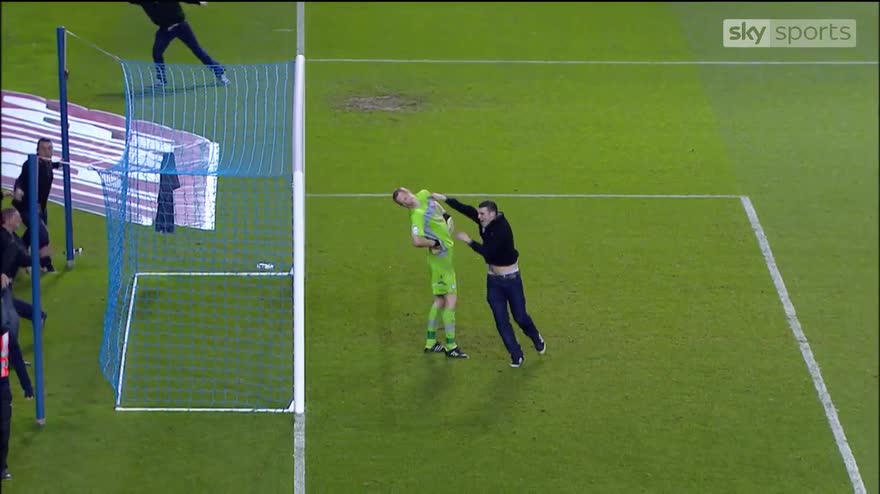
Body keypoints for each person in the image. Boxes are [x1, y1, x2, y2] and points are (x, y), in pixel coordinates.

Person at [432, 193, 545, 368]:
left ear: (492, 214)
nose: (479, 217)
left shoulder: (502, 230)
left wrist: (469, 241)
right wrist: (444, 199)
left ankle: (536, 337)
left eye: (482, 214)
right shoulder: (486, 221)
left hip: (511, 280)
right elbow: (467, 210)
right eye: (479, 214)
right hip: (494, 281)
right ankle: (516, 355)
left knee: (520, 317)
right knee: (501, 320)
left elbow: (488, 253)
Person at [392, 187, 468, 359]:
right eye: (403, 201)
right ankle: (451, 346)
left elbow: (437, 205)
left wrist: (446, 216)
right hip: (440, 260)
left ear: (408, 191)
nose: (407, 200)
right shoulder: (417, 216)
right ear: (403, 206)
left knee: (440, 300)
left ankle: (431, 343)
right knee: (450, 300)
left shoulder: (424, 194)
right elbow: (416, 241)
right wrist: (435, 243)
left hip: (444, 258)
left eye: (405, 196)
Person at [1, 212, 36, 482]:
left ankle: (2, 466)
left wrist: (26, 385)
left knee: (4, 426)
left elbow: (14, 350)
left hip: (2, 384)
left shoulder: (4, 332)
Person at [129, 1, 230, 87]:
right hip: (165, 30)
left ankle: (220, 72)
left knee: (197, 50)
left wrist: (198, 2)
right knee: (157, 53)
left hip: (181, 26)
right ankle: (161, 79)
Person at [12, 138, 59, 273]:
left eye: (50, 148)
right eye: (43, 149)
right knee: (42, 234)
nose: (47, 151)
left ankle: (17, 253)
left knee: (32, 233)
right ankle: (45, 264)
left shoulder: (47, 163)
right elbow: (21, 179)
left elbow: (49, 166)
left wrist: (58, 165)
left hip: (40, 207)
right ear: (37, 150)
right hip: (27, 206)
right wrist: (18, 189)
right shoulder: (31, 164)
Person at [154, 152, 181, 234]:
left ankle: (163, 226)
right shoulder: (168, 161)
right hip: (166, 188)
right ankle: (164, 226)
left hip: (165, 188)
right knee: (166, 200)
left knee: (165, 200)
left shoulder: (168, 161)